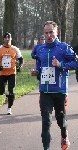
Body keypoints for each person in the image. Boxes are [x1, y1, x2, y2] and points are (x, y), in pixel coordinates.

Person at [32, 21, 78, 150]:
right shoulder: (40, 49)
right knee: (46, 121)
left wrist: (60, 65)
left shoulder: (64, 48)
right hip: (45, 90)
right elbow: (39, 65)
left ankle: (64, 134)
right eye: (46, 33)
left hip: (60, 91)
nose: (48, 35)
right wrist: (37, 71)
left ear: (56, 32)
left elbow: (76, 64)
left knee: (60, 120)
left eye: (51, 32)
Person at [0, 32, 23, 115]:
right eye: (5, 38)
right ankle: (8, 96)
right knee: (1, 91)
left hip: (12, 72)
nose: (7, 39)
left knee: (11, 90)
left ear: (11, 39)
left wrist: (19, 67)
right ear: (3, 39)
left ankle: (9, 108)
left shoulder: (15, 49)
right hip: (2, 72)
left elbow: (21, 59)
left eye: (9, 38)